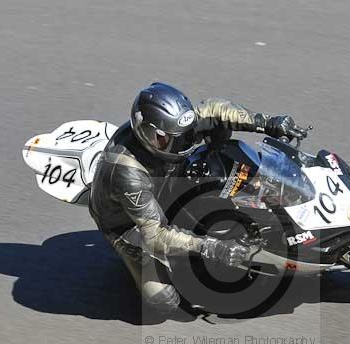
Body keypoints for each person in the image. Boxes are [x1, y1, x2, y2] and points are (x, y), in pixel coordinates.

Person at [89, 82, 308, 316]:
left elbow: (216, 110)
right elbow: (156, 235)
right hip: (129, 225)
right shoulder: (127, 173)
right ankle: (138, 257)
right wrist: (212, 247)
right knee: (164, 301)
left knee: (217, 143)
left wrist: (267, 122)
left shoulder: (175, 131)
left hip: (165, 182)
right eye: (171, 140)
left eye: (186, 136)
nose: (184, 144)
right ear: (147, 133)